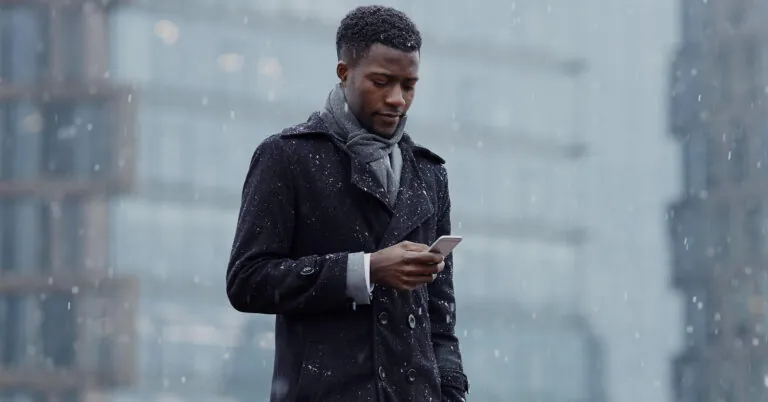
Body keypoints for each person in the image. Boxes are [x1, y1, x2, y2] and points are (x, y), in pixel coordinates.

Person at [226, 5, 468, 402]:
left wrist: (452, 391)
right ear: (344, 73)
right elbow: (248, 281)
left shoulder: (428, 173)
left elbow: (439, 320)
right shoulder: (287, 157)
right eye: (381, 82)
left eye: (409, 85)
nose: (397, 99)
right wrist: (366, 269)